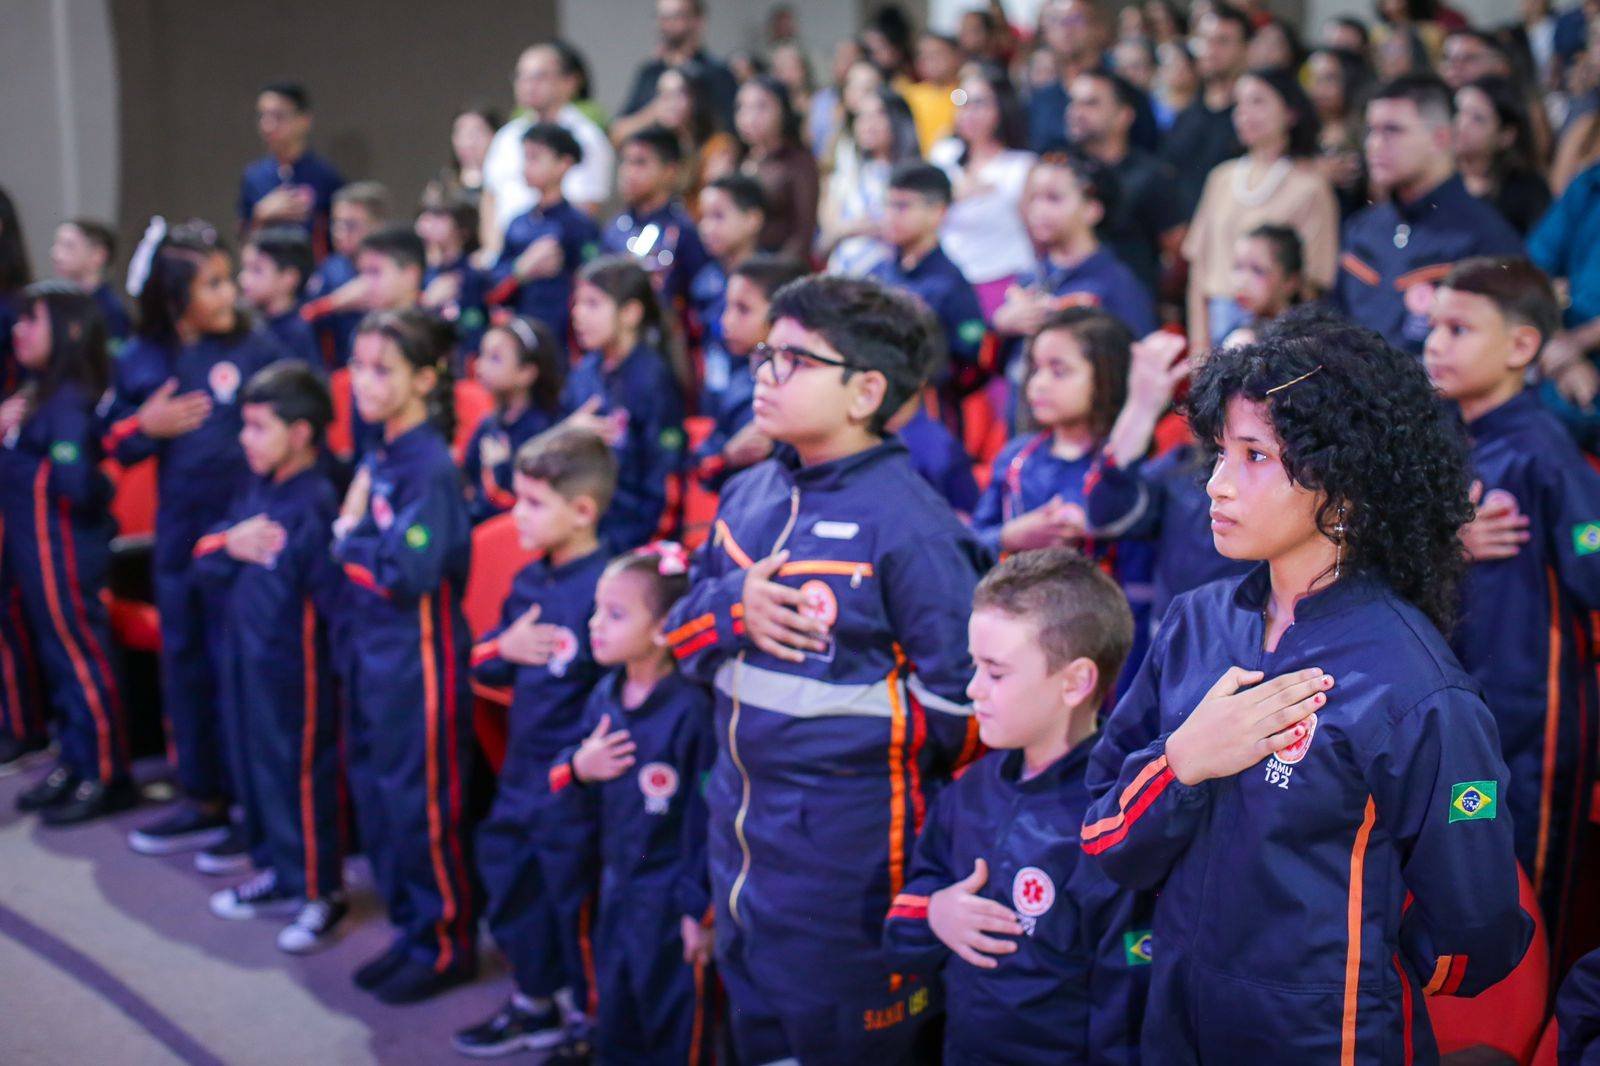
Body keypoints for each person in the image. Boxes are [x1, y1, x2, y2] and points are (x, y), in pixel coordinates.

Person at [1080, 323, 1533, 1061]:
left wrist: (1340, 976)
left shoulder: (1413, 684)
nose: (1217, 483)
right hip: (1174, 1020)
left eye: (1255, 456)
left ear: (1343, 484)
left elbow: (1477, 929)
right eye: (1220, 452)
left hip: (1325, 1038)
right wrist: (1183, 764)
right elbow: (1103, 835)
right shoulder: (1196, 622)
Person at [664, 276, 986, 1064]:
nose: (765, 374)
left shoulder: (912, 528)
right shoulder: (746, 494)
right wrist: (733, 609)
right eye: (767, 354)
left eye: (797, 360)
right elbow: (681, 643)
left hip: (852, 878)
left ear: (866, 392)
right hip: (740, 851)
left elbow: (970, 717)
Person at [882, 547, 1147, 1062]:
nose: (973, 689)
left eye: (996, 673)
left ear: (1075, 682)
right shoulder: (970, 789)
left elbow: (1128, 1008)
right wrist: (935, 913)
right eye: (974, 666)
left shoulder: (1117, 822)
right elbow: (907, 918)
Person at [1423, 257, 1600, 959]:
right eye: (1433, 326)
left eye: (1459, 329)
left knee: (1527, 890)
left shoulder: (1542, 453)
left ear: (1523, 346)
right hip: (1464, 710)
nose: (1436, 343)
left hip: (1532, 725)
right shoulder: (1448, 442)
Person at [108, 222, 286, 859]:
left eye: (228, 279)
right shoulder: (143, 357)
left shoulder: (256, 347)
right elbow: (113, 441)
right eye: (212, 284)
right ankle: (201, 796)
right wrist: (144, 424)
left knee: (237, 672)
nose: (229, 293)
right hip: (179, 535)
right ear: (176, 296)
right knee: (185, 665)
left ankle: (249, 809)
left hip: (243, 535)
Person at [455, 426, 617, 1055]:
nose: (516, 514)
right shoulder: (529, 582)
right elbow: (485, 663)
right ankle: (535, 1002)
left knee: (576, 906)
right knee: (511, 883)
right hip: (521, 775)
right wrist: (507, 646)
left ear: (582, 511)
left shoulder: (610, 590)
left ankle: (590, 1025)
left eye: (532, 503)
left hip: (576, 789)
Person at [333, 309, 476, 1004]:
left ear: (424, 378)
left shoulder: (430, 466)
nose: (364, 382)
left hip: (419, 662)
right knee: (383, 798)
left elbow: (403, 573)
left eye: (382, 370)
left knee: (422, 807)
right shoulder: (383, 450)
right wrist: (359, 540)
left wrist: (347, 537)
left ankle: (445, 944)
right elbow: (376, 551)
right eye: (358, 366)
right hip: (375, 652)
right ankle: (412, 931)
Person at [192, 361, 346, 952]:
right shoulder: (258, 486)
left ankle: (320, 890)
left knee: (299, 776)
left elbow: (333, 602)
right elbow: (204, 558)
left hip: (295, 671)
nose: (245, 439)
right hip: (246, 657)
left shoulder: (315, 502)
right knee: (258, 771)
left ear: (301, 433)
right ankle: (280, 871)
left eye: (259, 427)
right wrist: (229, 544)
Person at [548, 545, 717, 1064]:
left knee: (675, 1021)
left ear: (664, 629)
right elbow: (563, 782)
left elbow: (707, 820)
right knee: (617, 1010)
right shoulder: (605, 695)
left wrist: (698, 910)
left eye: (616, 615)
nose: (595, 625)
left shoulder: (692, 709)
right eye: (597, 610)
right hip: (617, 885)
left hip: (669, 899)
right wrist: (580, 767)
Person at [1, 283, 133, 824]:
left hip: (65, 555)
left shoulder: (69, 401)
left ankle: (106, 772)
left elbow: (78, 483)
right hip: (37, 556)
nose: (18, 331)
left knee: (81, 658)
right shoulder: (38, 393)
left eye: (32, 321)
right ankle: (76, 759)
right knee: (58, 660)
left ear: (69, 330)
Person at [1335, 74, 1522, 354]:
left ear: (1440, 138)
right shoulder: (1362, 227)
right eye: (1371, 130)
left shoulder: (1485, 239)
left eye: (1393, 130)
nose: (1374, 144)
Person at [1183, 67, 1338, 350]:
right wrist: (1198, 346)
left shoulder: (1310, 186)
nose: (1244, 113)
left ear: (1290, 113)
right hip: (1218, 320)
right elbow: (1198, 271)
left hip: (1277, 333)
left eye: (1258, 101)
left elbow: (1312, 282)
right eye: (1239, 103)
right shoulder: (1221, 177)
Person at [972, 306, 1128, 561]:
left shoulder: (1122, 463)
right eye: (1034, 369)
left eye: (1059, 371)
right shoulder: (1015, 457)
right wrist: (1009, 536)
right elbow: (972, 543)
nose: (1038, 384)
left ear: (1106, 376)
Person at [563, 257, 687, 552]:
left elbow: (666, 480)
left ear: (630, 313)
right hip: (584, 523)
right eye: (577, 303)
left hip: (632, 534)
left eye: (593, 304)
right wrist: (568, 433)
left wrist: (645, 552)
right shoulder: (585, 371)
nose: (578, 314)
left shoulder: (653, 380)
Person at [996, 150, 1157, 355]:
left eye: (1053, 198)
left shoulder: (1117, 285)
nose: (1038, 210)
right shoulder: (1029, 279)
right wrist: (1001, 326)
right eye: (1033, 198)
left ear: (1092, 209)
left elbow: (1140, 360)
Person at [868, 162, 989, 425]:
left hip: (927, 417)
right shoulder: (876, 273)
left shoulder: (951, 286)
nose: (890, 216)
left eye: (902, 206)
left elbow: (971, 363)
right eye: (887, 205)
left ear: (938, 212)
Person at [690, 254, 808, 489]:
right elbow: (702, 460)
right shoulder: (740, 378)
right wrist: (727, 456)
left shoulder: (804, 391)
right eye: (727, 306)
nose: (726, 321)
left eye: (743, 309)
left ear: (784, 317)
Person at [929, 65, 1038, 316]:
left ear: (1002, 107)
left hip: (1004, 282)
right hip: (949, 281)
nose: (968, 112)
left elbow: (1035, 234)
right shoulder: (943, 154)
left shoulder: (1021, 166)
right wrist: (953, 195)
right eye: (961, 101)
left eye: (979, 103)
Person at [1067, 69, 1185, 299]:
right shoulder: (1062, 172)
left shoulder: (1152, 175)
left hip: (1130, 305)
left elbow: (1177, 251)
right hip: (1072, 301)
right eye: (1073, 102)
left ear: (1124, 116)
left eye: (1091, 103)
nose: (1075, 112)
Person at [487, 123, 601, 349]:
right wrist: (521, 269)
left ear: (563, 164)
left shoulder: (579, 225)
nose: (526, 166)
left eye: (535, 158)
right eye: (526, 157)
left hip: (564, 338)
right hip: (521, 335)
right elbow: (492, 282)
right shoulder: (518, 223)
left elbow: (594, 280)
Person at [483, 41, 614, 233]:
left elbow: (588, 205)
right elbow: (490, 197)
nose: (528, 86)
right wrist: (494, 247)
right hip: (508, 245)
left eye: (539, 77)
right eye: (521, 77)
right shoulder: (506, 136)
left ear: (568, 82)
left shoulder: (586, 137)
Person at [462, 316, 564, 525]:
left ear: (527, 373)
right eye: (482, 354)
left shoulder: (541, 430)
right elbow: (467, 474)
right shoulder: (489, 424)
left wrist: (502, 465)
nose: (480, 365)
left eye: (495, 358)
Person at [600, 125, 709, 313]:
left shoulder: (684, 232)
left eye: (640, 163)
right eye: (625, 162)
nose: (628, 172)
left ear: (669, 171)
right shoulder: (615, 228)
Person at [818, 86, 920, 278]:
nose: (868, 124)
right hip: (843, 273)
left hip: (895, 277)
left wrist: (855, 227)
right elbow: (827, 236)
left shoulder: (915, 177)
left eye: (878, 115)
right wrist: (864, 227)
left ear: (897, 120)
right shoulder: (847, 175)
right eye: (862, 116)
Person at [1162, 4, 1252, 217]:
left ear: (1245, 49)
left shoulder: (1251, 119)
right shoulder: (1185, 114)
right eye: (1204, 39)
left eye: (1223, 41)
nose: (1211, 49)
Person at [237, 82, 345, 260]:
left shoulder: (326, 177)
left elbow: (339, 242)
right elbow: (244, 242)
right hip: (267, 271)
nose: (267, 125)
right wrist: (260, 215)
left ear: (304, 120)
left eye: (278, 116)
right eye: (262, 116)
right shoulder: (253, 177)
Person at [689, 174, 766, 420]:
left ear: (752, 220)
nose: (706, 227)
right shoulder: (704, 280)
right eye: (703, 217)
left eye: (718, 216)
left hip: (757, 397)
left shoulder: (772, 280)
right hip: (714, 393)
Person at [301, 181, 389, 370]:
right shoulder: (330, 268)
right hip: (341, 370)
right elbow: (303, 320)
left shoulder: (396, 267)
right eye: (336, 223)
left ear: (378, 226)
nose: (340, 232)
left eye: (351, 225)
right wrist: (335, 302)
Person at [734, 75, 820, 261]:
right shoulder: (740, 158)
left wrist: (772, 273)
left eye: (761, 107)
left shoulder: (798, 162)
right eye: (743, 107)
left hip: (779, 265)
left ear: (783, 110)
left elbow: (803, 235)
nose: (749, 117)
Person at [1454, 76, 1552, 236]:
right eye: (1456, 111)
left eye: (1477, 119)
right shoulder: (1434, 180)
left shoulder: (1527, 191)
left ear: (1506, 136)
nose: (1461, 124)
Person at [618, 0, 739, 130]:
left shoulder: (717, 74)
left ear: (698, 21)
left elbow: (731, 132)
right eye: (661, 17)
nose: (665, 24)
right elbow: (617, 131)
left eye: (675, 16)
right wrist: (655, 112)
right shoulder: (650, 72)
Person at [1306, 47, 1376, 219]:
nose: (1318, 88)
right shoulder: (1297, 130)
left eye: (1329, 78)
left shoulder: (1370, 130)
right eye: (1313, 78)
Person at [237, 227, 320, 366]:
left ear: (289, 278)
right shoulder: (248, 324)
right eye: (245, 268)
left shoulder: (298, 334)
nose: (243, 279)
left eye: (256, 270)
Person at [1222, 223, 1305, 346]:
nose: (1242, 281)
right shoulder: (1239, 330)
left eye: (1258, 270)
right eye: (1238, 267)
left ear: (1290, 281)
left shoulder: (1303, 341)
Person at [49, 219, 131, 344]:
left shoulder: (111, 311)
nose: (55, 254)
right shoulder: (53, 303)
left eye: (68, 246)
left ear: (98, 255)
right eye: (56, 244)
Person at [902, 32, 963, 152]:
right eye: (923, 56)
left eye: (937, 54)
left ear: (956, 56)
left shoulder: (967, 92)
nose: (930, 61)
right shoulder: (908, 96)